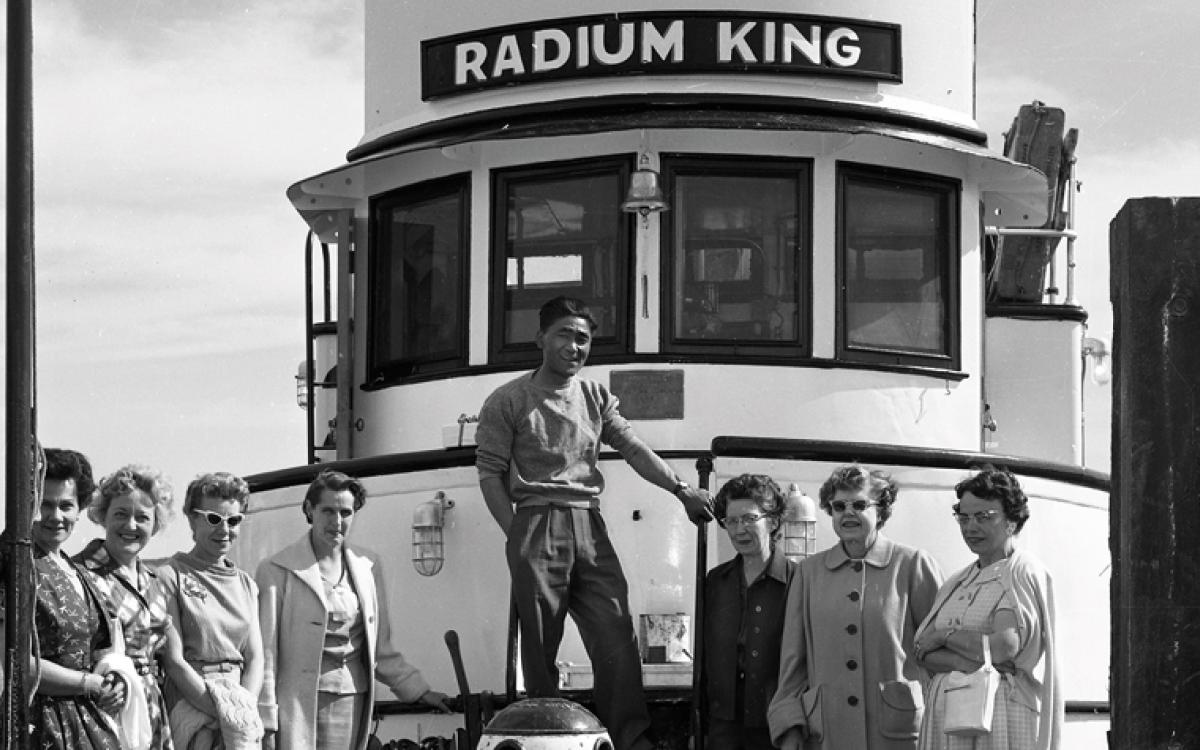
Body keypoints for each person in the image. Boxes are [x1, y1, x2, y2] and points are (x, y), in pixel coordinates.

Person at [474, 295, 715, 750]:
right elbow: (489, 474)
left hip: (589, 522)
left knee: (616, 631)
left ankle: (631, 739)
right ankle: (544, 738)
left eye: (583, 338)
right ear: (541, 338)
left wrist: (682, 491)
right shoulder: (507, 399)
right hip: (534, 522)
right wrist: (518, 537)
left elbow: (633, 447)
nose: (574, 345)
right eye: (564, 333)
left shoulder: (595, 396)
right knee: (541, 643)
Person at [256, 470, 450, 750]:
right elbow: (266, 655)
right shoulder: (276, 570)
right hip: (295, 709)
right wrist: (266, 719)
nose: (337, 521)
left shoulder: (368, 566)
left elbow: (380, 650)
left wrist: (418, 690)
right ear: (310, 510)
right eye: (328, 511)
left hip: (352, 702)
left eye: (346, 512)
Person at [768, 465, 943, 750]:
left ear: (881, 509)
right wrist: (790, 723)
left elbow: (938, 653)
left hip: (898, 733)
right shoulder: (809, 573)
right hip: (828, 731)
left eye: (859, 504)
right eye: (839, 506)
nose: (848, 513)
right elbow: (793, 661)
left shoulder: (912, 566)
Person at [913, 467, 1062, 750]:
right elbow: (922, 650)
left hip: (998, 718)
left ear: (1011, 521)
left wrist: (946, 637)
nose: (971, 527)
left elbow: (1003, 648)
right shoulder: (958, 581)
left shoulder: (1019, 572)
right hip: (948, 721)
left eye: (984, 517)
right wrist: (964, 662)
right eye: (964, 517)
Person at [9, 448, 125, 749]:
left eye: (66, 506)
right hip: (33, 727)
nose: (56, 516)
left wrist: (113, 683)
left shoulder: (77, 571)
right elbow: (12, 660)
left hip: (87, 726)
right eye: (45, 505)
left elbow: (99, 651)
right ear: (28, 501)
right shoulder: (13, 559)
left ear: (80, 508)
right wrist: (89, 684)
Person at [75, 464, 179, 750]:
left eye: (142, 517)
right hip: (104, 707)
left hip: (150, 708)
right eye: (121, 514)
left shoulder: (155, 580)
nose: (131, 526)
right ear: (102, 517)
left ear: (155, 524)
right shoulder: (83, 573)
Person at [160, 472, 265, 748]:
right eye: (214, 519)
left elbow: (254, 658)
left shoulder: (247, 585)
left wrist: (243, 710)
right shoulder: (170, 575)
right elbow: (174, 661)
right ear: (192, 518)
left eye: (234, 520)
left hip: (239, 705)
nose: (224, 529)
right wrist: (221, 711)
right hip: (193, 702)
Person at [702, 474, 797, 750]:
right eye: (731, 521)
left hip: (776, 723)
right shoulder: (715, 581)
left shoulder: (799, 580)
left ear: (774, 521)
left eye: (749, 519)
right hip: (723, 725)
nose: (738, 530)